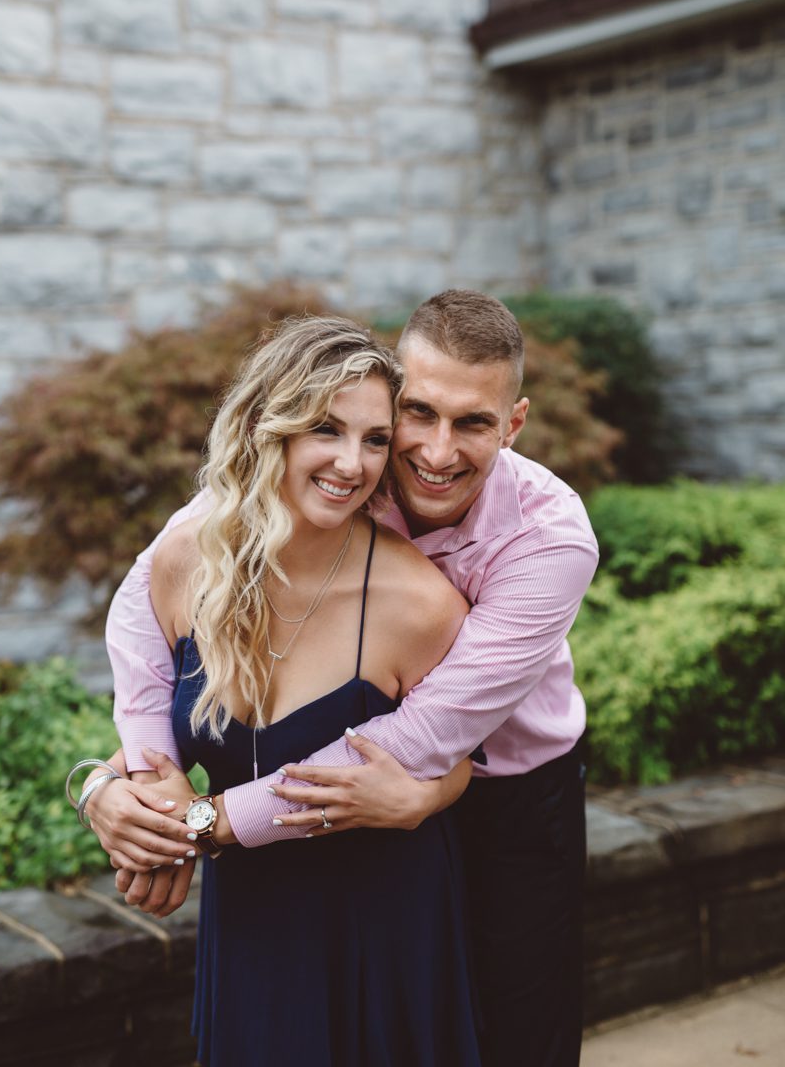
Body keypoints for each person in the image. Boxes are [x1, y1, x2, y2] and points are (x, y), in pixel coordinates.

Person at [98, 289, 599, 1067]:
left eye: (472, 423)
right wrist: (135, 771)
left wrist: (194, 826)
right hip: (317, 829)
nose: (434, 452)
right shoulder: (333, 470)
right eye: (418, 414)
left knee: (515, 1030)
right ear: (393, 395)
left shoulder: (550, 538)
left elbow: (420, 740)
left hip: (509, 797)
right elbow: (145, 597)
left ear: (514, 422)